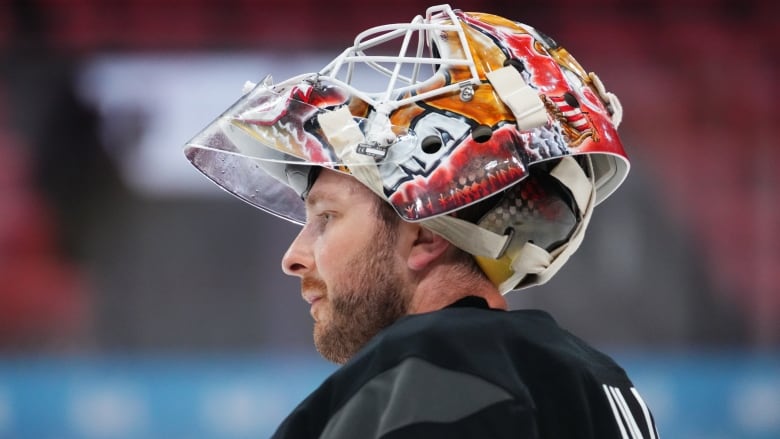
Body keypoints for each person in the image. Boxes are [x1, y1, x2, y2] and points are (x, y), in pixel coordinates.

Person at [185, 4, 659, 438]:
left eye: (327, 217)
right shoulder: (606, 385)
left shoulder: (424, 368)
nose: (293, 257)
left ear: (425, 236)